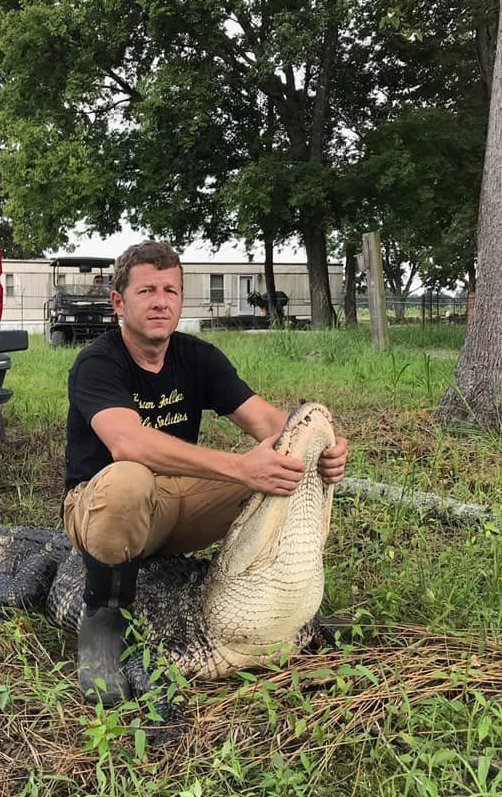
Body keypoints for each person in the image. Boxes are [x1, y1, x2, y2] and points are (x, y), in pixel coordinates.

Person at [63, 240, 348, 706]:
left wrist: (324, 449)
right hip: (102, 508)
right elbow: (126, 443)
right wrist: (240, 467)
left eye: (171, 291)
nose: (161, 301)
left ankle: (279, 599)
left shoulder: (197, 357)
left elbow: (278, 431)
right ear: (119, 302)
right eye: (147, 291)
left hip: (172, 503)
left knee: (281, 465)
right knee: (129, 477)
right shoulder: (98, 361)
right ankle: (104, 622)